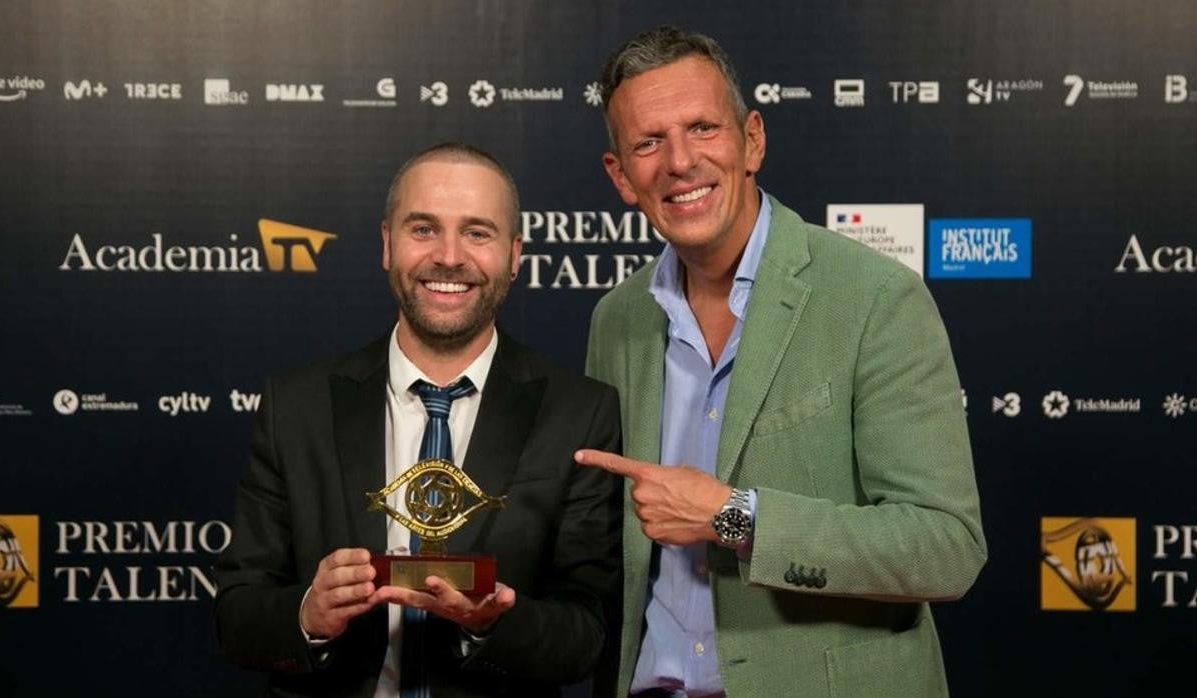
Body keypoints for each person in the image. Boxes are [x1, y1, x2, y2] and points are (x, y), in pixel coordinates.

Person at [575, 27, 987, 697]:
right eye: (648, 143)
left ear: (752, 141)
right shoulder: (616, 320)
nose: (679, 161)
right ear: (621, 176)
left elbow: (945, 548)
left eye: (702, 128)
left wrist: (734, 517)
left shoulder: (875, 297)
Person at [214, 142, 622, 697]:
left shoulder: (580, 412)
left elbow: (588, 633)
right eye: (424, 229)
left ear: (514, 255)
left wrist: (492, 624)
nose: (449, 257)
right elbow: (237, 615)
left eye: (477, 233)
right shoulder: (297, 406)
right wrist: (308, 615)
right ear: (387, 243)